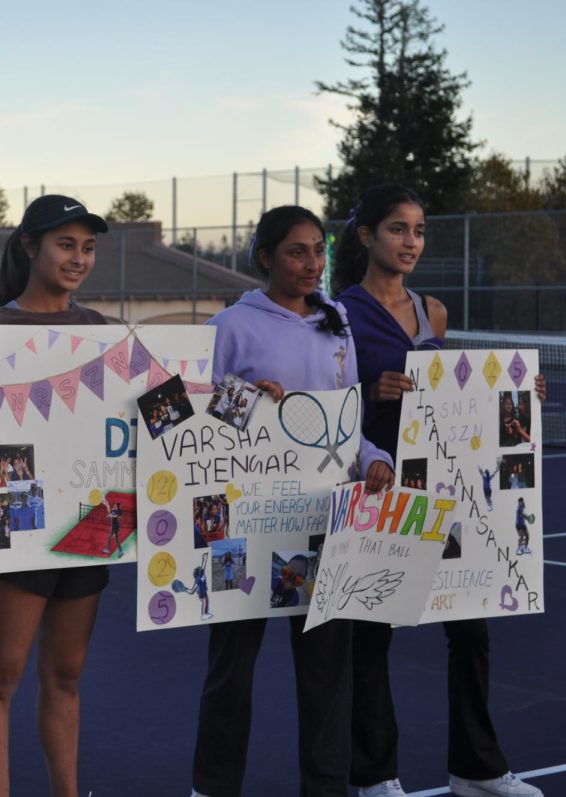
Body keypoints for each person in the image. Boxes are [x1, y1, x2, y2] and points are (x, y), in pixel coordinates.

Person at [334, 183, 543, 797]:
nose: (411, 242)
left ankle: (475, 769)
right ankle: (375, 778)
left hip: (445, 492)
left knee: (471, 633)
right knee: (371, 637)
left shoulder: (434, 312)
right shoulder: (339, 313)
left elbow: (451, 397)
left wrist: (518, 400)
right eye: (398, 229)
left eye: (419, 231)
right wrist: (369, 395)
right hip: (378, 487)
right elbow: (326, 403)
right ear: (368, 236)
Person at [190, 205, 395, 797]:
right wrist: (244, 398)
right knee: (231, 669)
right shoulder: (231, 325)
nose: (311, 263)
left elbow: (346, 421)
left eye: (318, 251)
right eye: (296, 252)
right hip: (246, 527)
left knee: (328, 672)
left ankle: (326, 789)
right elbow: (194, 408)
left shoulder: (339, 324)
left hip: (325, 523)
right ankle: (213, 786)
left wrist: (374, 456)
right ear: (266, 257)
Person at [0, 195, 110, 797]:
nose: (79, 258)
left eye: (88, 247)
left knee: (66, 675)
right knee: (1, 679)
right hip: (19, 524)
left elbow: (155, 423)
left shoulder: (103, 332)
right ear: (30, 247)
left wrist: (231, 396)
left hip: (95, 521)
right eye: (66, 244)